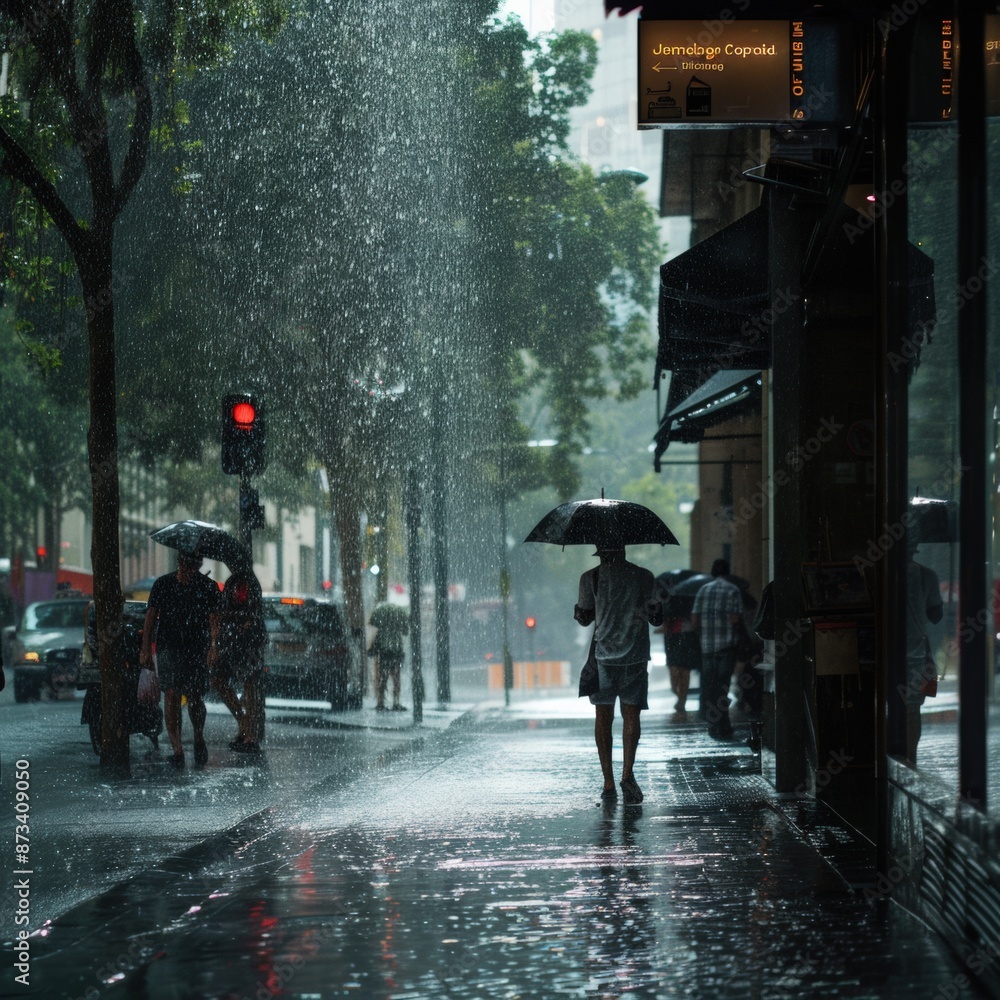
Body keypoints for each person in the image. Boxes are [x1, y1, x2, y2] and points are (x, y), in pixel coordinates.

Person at [575, 548, 662, 805]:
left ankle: (608, 782)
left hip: (602, 658)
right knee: (631, 716)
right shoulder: (644, 576)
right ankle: (627, 774)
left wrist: (589, 609)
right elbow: (656, 618)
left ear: (600, 552)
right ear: (623, 549)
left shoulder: (590, 578)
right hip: (635, 656)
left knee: (603, 717)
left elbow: (584, 618)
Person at [140, 551, 221, 767]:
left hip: (196, 647)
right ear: (178, 563)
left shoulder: (207, 587)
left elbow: (214, 620)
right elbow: (150, 616)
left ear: (198, 566)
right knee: (171, 694)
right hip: (169, 646)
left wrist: (214, 646)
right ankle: (177, 750)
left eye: (191, 566)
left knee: (195, 696)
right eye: (184, 565)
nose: (186, 570)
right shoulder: (163, 584)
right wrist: (145, 649)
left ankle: (198, 736)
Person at [212, 570, 267, 753]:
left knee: (250, 685)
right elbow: (221, 612)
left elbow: (253, 614)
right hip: (232, 642)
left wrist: (236, 619)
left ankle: (249, 734)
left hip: (249, 643)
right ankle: (244, 724)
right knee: (219, 679)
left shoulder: (250, 584)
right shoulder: (232, 582)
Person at [691, 559, 743, 739]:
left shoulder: (703, 590)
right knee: (723, 685)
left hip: (707, 647)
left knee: (711, 685)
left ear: (712, 572)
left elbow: (694, 621)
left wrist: (702, 636)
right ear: (728, 572)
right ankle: (723, 722)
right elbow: (736, 619)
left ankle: (714, 722)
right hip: (727, 646)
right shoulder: (733, 590)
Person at [904, 542, 943, 766]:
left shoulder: (879, 574)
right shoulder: (927, 575)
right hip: (915, 654)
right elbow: (935, 615)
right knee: (911, 709)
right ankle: (909, 760)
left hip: (883, 654)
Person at [368, 601, 410, 711]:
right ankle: (396, 702)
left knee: (384, 677)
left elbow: (377, 635)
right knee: (396, 677)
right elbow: (406, 632)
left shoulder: (382, 621)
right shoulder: (399, 619)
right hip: (396, 651)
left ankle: (381, 702)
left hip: (385, 651)